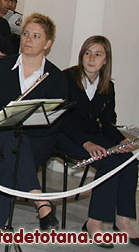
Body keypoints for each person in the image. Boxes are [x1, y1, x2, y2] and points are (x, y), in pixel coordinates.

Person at [0, 13, 68, 251]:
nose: (28, 39)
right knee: (11, 141)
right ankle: (41, 202)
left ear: (47, 44)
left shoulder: (56, 77)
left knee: (11, 162)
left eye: (36, 36)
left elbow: (55, 119)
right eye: (25, 33)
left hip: (36, 142)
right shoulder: (3, 66)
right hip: (0, 135)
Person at [56, 36, 139, 245]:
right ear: (81, 56)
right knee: (110, 162)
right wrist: (87, 143)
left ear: (105, 60)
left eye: (98, 54)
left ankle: (123, 221)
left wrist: (121, 141)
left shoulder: (107, 86)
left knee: (129, 160)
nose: (91, 58)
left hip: (91, 135)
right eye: (87, 53)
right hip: (65, 135)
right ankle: (94, 223)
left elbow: (108, 122)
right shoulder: (65, 79)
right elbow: (62, 120)